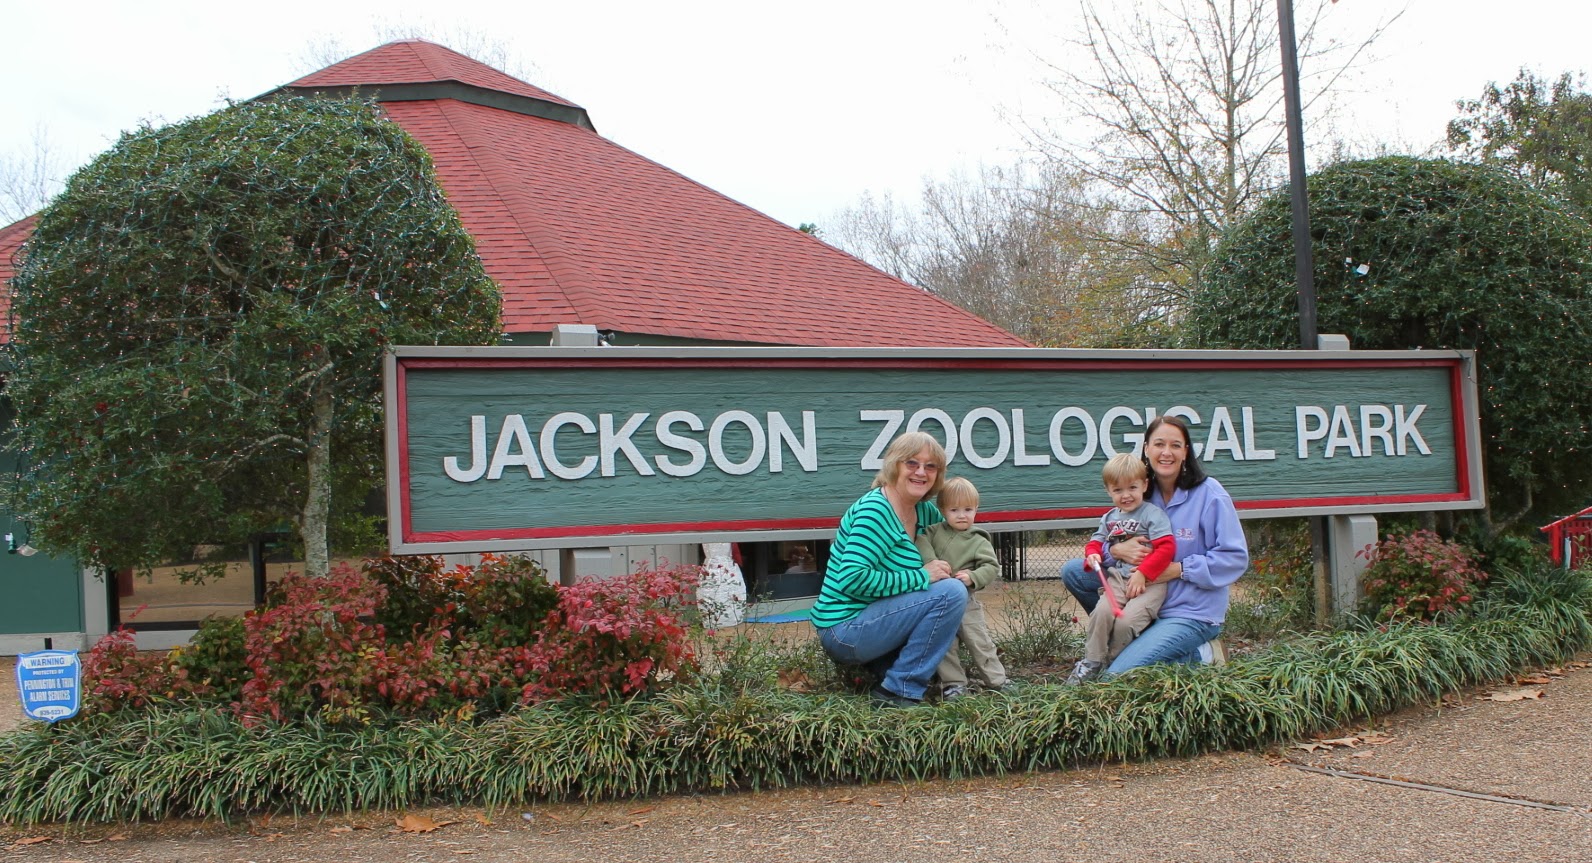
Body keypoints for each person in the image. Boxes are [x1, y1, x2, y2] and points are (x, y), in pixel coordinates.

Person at [1061, 415, 1248, 674]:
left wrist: (1180, 569)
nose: (1166, 452)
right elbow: (1108, 536)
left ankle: (1202, 654)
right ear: (1147, 449)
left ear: (1186, 451)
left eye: (1175, 445)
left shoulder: (1210, 494)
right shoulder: (1139, 492)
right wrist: (1115, 550)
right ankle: (1125, 637)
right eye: (1159, 444)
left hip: (1189, 610)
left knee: (1117, 675)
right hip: (1141, 594)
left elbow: (1235, 558)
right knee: (1074, 571)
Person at [812, 432, 969, 707]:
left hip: (881, 619)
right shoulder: (876, 511)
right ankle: (898, 691)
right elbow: (852, 579)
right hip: (846, 628)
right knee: (950, 593)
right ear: (894, 464)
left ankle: (887, 670)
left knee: (951, 588)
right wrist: (922, 576)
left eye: (931, 466)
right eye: (912, 463)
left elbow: (964, 537)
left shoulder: (926, 513)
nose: (921, 472)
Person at [1065, 453, 1176, 684]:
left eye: (1132, 488)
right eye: (1118, 490)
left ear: (1144, 485)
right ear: (1108, 491)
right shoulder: (1109, 518)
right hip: (1117, 578)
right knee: (1102, 613)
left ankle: (1115, 664)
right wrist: (1092, 554)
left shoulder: (1152, 514)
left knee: (1125, 622)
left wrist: (1144, 574)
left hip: (1150, 583)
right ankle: (1091, 662)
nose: (1126, 496)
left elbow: (1166, 548)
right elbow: (1095, 542)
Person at [916, 477, 1007, 699]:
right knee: (945, 645)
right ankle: (953, 684)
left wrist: (973, 576)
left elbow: (991, 566)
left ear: (976, 509)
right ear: (943, 510)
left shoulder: (978, 539)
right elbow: (920, 541)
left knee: (979, 641)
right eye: (954, 510)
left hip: (967, 601)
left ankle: (997, 680)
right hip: (940, 602)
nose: (962, 515)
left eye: (968, 509)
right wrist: (931, 562)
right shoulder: (933, 532)